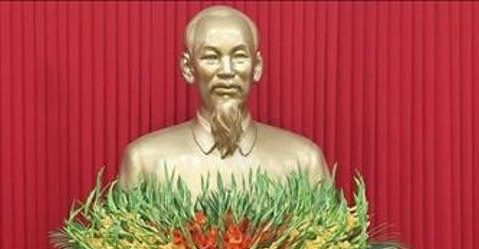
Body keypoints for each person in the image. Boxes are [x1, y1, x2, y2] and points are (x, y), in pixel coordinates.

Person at [119, 5, 329, 195]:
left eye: (239, 56)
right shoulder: (144, 162)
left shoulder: (304, 162)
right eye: (211, 57)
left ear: (257, 67)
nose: (227, 71)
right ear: (188, 68)